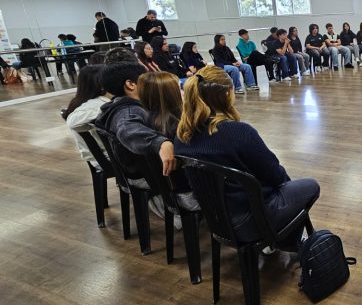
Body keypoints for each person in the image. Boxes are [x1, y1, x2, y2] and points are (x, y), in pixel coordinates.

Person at [175, 65, 320, 249]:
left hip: (216, 221)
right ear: (226, 94)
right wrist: (284, 188)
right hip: (252, 221)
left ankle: (283, 240)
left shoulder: (181, 136)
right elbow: (275, 174)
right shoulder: (239, 133)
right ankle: (285, 241)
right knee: (310, 186)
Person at [94, 57, 175, 219]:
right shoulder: (128, 111)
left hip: (135, 172)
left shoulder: (117, 105)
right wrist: (161, 143)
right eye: (144, 80)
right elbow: (128, 129)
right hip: (149, 176)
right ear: (131, 84)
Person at [137, 71, 199, 216]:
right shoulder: (179, 126)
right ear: (172, 95)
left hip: (168, 191)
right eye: (179, 88)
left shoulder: (145, 121)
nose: (183, 92)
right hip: (189, 193)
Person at [64, 65, 110, 169]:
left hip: (100, 157)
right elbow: (72, 122)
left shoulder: (80, 102)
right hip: (106, 159)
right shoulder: (94, 105)